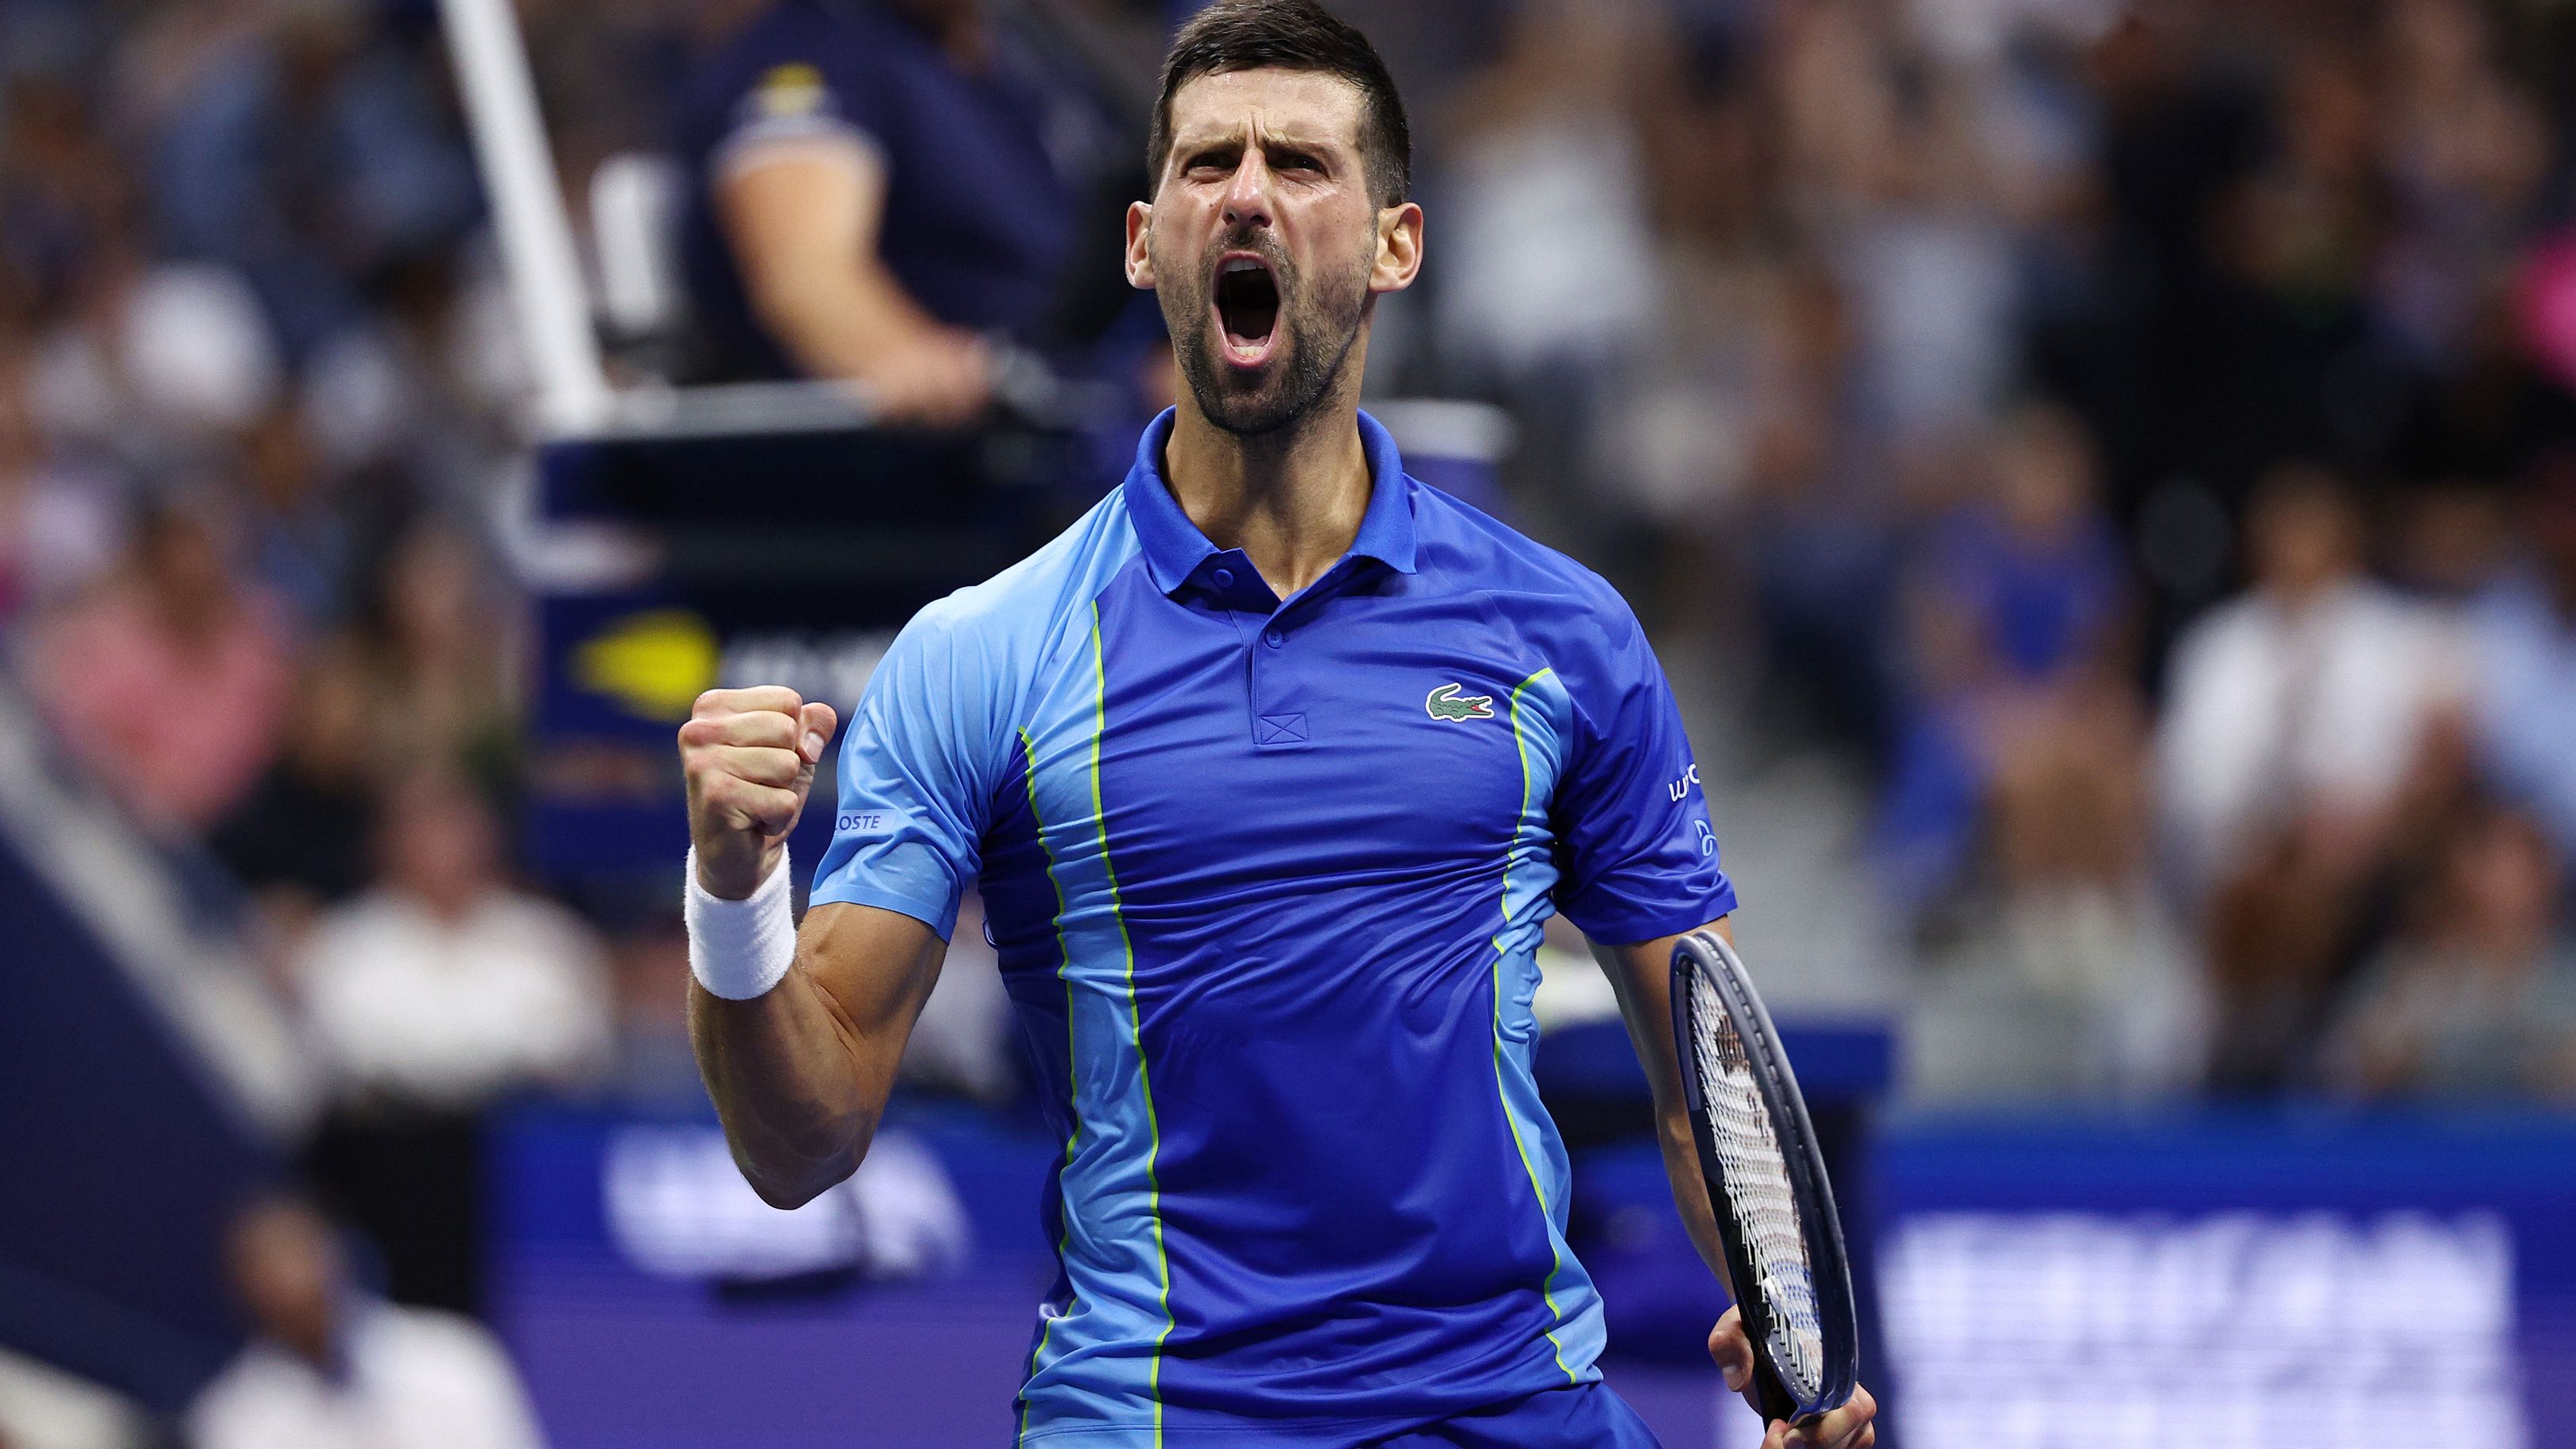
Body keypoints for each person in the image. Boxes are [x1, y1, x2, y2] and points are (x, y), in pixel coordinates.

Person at [675, 5, 1879, 1446]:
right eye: (1205, 164)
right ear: (1143, 245)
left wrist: (1791, 1327)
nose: (1245, 192)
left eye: (1300, 163)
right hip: (1159, 1418)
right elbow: (800, 1144)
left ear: (1393, 245)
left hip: (1514, 1411)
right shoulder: (982, 655)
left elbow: (1707, 1090)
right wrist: (734, 894)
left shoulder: (1564, 637)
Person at [674, 0, 1090, 423]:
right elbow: (807, 277)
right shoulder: (810, 54)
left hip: (1071, 394)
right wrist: (911, 361)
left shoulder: (1016, 61)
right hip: (953, 449)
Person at [186, 1192, 548, 1449]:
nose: (290, 1281)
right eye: (265, 1266)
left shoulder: (453, 1356)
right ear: (240, 1286)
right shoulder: (232, 1419)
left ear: (338, 1254)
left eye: (299, 1255)